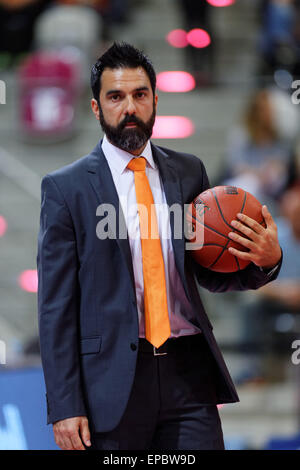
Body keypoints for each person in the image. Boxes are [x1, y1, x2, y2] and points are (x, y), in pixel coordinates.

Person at [37, 42, 282, 451]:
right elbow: (55, 307)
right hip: (110, 384)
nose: (129, 107)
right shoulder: (66, 188)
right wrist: (64, 405)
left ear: (155, 100)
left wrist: (265, 262)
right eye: (115, 96)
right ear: (97, 108)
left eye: (139, 94)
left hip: (188, 376)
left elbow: (208, 273)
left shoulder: (188, 172)